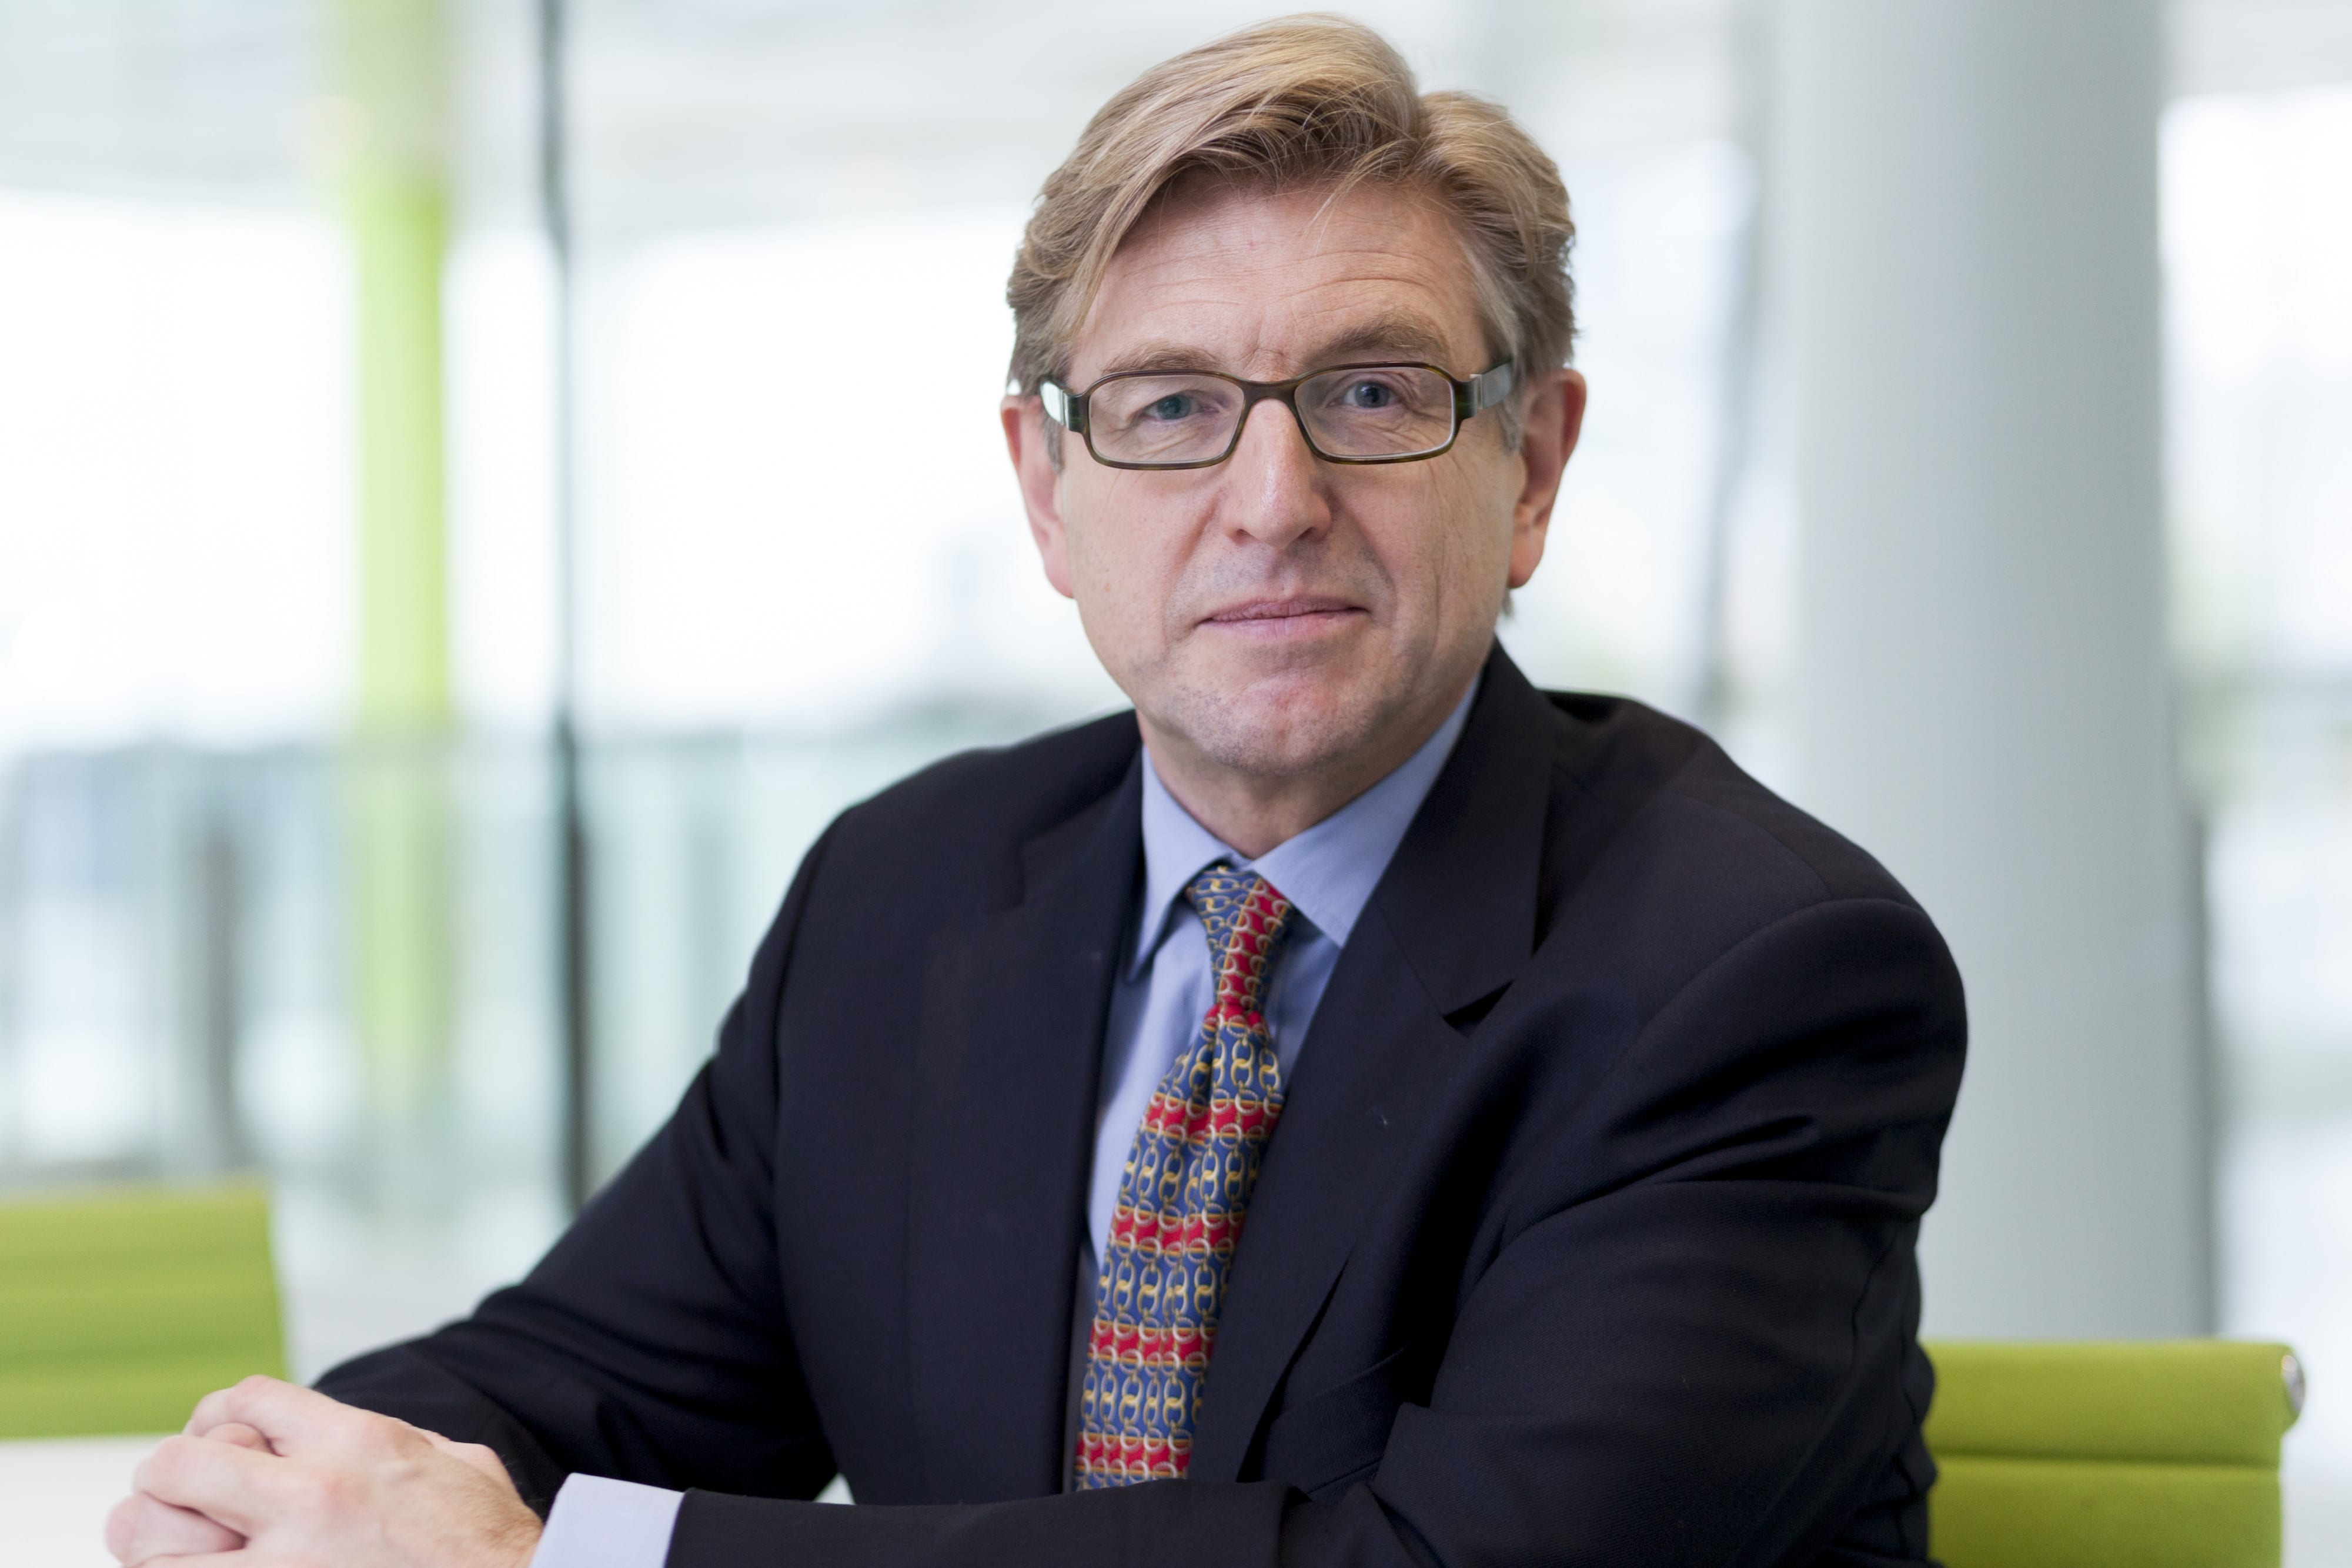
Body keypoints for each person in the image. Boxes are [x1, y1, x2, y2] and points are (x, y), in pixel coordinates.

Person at [109, 15, 1964, 1567]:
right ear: (1042, 490)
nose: (1270, 500)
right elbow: (572, 1379)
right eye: (1167, 407)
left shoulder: (1752, 974)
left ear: (1533, 465)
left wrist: (584, 1558)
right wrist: (282, 1485)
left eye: (1376, 394)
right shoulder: (909, 891)